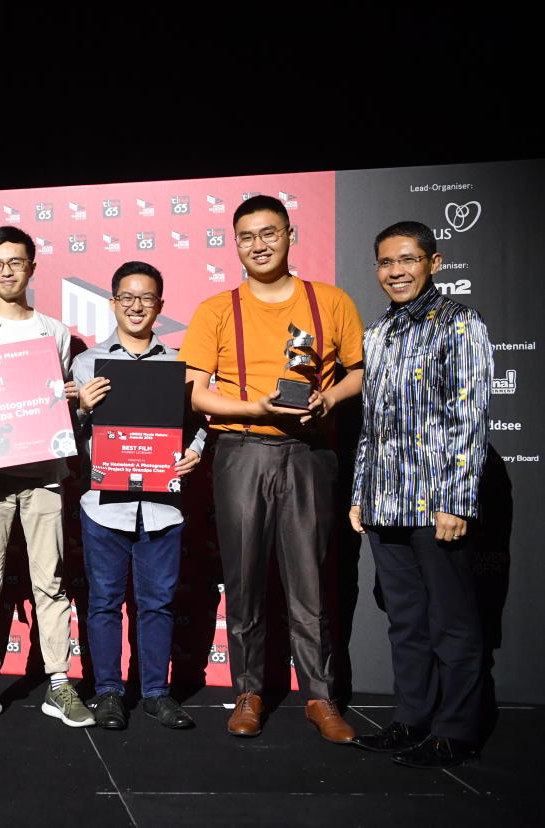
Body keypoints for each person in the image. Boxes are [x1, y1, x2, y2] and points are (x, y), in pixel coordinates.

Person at [177, 195, 364, 742]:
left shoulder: (330, 301)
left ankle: (321, 697)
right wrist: (257, 409)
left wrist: (330, 399)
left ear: (290, 234)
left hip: (310, 455)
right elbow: (197, 395)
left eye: (269, 233)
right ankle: (248, 691)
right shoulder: (216, 309)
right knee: (245, 579)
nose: (259, 245)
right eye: (247, 237)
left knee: (311, 579)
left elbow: (357, 371)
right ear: (235, 244)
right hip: (242, 451)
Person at [349, 221, 492, 768]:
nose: (396, 271)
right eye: (386, 263)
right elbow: (371, 424)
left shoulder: (461, 324)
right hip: (385, 503)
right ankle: (412, 719)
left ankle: (457, 729)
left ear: (433, 262)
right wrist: (360, 491)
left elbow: (469, 416)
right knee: (406, 621)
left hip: (437, 506)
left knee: (451, 621)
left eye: (407, 260)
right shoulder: (378, 333)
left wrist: (457, 501)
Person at [0, 225, 92, 729]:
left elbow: (58, 404)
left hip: (44, 477)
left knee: (49, 584)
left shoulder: (54, 332)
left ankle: (58, 681)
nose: (7, 271)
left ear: (32, 266)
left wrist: (74, 400)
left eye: (16, 262)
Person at [73, 261, 204, 730]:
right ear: (112, 303)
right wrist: (81, 410)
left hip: (163, 507)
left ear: (160, 307)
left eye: (146, 298)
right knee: (105, 601)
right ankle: (108, 692)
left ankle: (156, 692)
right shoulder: (86, 363)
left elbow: (198, 426)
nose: (136, 305)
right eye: (127, 297)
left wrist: (193, 453)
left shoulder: (178, 364)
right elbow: (66, 437)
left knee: (159, 603)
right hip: (104, 506)